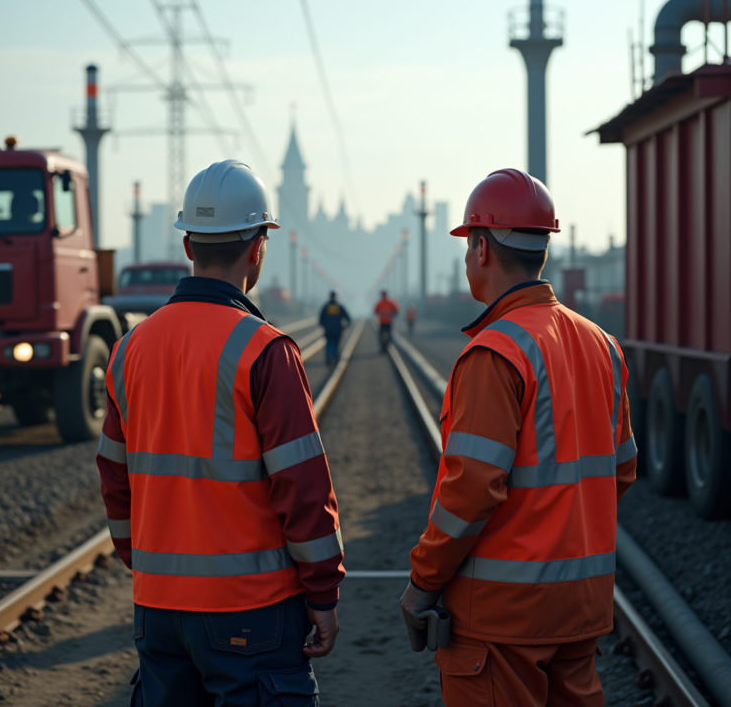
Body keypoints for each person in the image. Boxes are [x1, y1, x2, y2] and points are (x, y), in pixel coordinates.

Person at [97, 160, 344, 707]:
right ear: (259, 247)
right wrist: (322, 591)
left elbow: (114, 477)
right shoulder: (264, 350)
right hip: (249, 609)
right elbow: (301, 486)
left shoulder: (128, 349)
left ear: (188, 245)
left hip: (157, 608)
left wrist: (142, 559)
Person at [400, 168, 637, 707]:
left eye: (467, 246)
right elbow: (620, 471)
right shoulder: (603, 346)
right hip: (581, 608)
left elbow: (470, 492)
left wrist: (423, 583)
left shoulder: (495, 352)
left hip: (502, 619)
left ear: (481, 249)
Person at [319, 291, 351, 366]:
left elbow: (321, 319)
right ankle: (334, 357)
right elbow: (348, 318)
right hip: (338, 330)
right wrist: (345, 326)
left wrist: (324, 325)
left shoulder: (326, 306)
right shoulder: (339, 306)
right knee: (336, 344)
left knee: (329, 344)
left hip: (328, 330)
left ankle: (328, 357)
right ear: (336, 296)